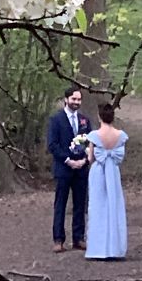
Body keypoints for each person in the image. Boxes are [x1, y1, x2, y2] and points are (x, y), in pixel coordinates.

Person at [47, 86, 91, 253]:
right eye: (74, 99)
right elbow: (52, 145)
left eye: (79, 100)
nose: (76, 102)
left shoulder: (85, 120)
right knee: (61, 204)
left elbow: (90, 142)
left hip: (81, 169)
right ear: (66, 99)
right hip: (63, 169)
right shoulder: (56, 120)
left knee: (80, 204)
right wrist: (68, 160)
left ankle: (78, 238)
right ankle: (58, 239)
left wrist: (85, 160)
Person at [84, 103, 128, 260]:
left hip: (98, 172)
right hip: (113, 173)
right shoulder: (120, 135)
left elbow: (91, 159)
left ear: (99, 116)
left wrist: (88, 151)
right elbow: (119, 157)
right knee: (113, 205)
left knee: (98, 207)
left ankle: (99, 248)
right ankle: (115, 247)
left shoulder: (95, 135)